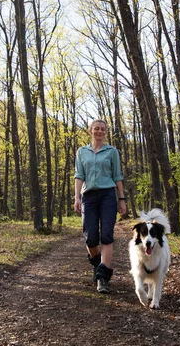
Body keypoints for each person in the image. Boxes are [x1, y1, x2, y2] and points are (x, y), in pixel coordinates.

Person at [74, 119, 127, 293]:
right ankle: (98, 266)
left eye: (102, 129)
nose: (99, 131)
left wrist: (122, 199)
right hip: (88, 196)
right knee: (90, 237)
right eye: (96, 129)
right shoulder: (82, 152)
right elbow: (79, 175)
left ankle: (103, 277)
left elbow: (117, 176)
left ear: (105, 132)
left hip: (107, 196)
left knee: (106, 235)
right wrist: (77, 198)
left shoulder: (112, 152)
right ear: (90, 131)